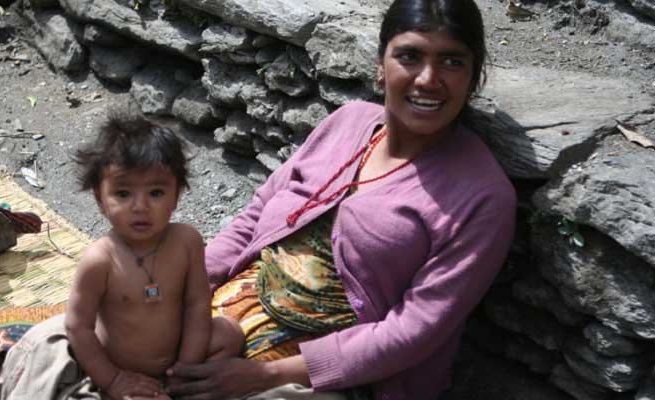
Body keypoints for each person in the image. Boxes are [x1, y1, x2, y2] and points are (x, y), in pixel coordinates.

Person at [165, 0, 517, 399]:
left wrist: (264, 376)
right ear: (381, 65)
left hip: (328, 371)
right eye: (409, 56)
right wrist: (186, 291)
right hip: (236, 307)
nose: (428, 79)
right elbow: (255, 216)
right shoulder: (348, 122)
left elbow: (415, 329)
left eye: (452, 62)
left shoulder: (482, 196)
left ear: (473, 76)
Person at [0, 112, 240, 400]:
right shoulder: (100, 260)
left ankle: (183, 387)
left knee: (230, 333)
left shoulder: (187, 242)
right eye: (123, 194)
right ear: (100, 199)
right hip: (120, 368)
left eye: (156, 193)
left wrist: (187, 366)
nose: (140, 206)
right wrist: (113, 379)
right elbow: (78, 326)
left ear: (176, 195)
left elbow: (197, 303)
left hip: (178, 356)